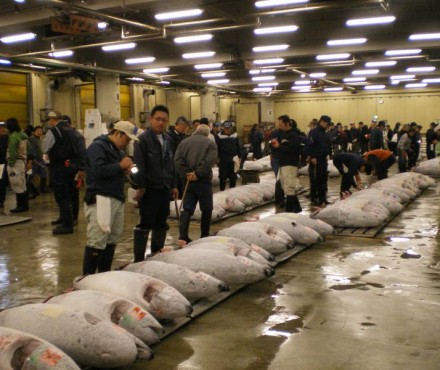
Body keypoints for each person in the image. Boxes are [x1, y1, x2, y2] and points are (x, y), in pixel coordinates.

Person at [82, 121, 137, 274]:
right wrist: (120, 166)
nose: (128, 143)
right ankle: (88, 279)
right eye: (127, 139)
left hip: (116, 198)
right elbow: (97, 171)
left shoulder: (118, 150)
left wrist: (124, 170)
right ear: (118, 133)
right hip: (101, 198)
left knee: (112, 238)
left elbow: (113, 169)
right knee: (97, 240)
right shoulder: (97, 147)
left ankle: (104, 276)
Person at [132, 105, 178, 262]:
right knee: (146, 222)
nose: (160, 122)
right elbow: (139, 165)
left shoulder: (168, 139)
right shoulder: (142, 140)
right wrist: (140, 187)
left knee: (161, 221)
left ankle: (156, 254)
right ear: (151, 119)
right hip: (149, 189)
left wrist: (174, 185)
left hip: (164, 188)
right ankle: (139, 259)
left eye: (164, 120)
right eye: (158, 119)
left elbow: (171, 164)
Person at [174, 124, 218, 245]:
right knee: (207, 208)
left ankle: (183, 236)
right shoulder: (210, 143)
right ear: (207, 133)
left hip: (188, 181)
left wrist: (187, 173)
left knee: (187, 208)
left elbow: (177, 160)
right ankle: (204, 235)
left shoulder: (183, 142)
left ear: (196, 131)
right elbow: (210, 160)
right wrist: (197, 174)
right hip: (203, 182)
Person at [43, 110, 85, 234]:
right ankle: (68, 219)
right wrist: (81, 167)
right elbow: (81, 150)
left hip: (60, 166)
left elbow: (45, 147)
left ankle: (67, 225)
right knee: (72, 193)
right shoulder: (73, 131)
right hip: (72, 166)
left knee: (61, 194)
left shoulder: (54, 131)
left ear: (52, 119)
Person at [270, 115, 302, 213]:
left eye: (280, 124)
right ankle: (297, 209)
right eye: (278, 125)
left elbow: (293, 150)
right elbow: (282, 149)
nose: (279, 127)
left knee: (289, 188)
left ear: (287, 124)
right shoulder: (284, 134)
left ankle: (289, 212)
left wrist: (279, 146)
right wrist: (275, 146)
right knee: (284, 187)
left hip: (290, 164)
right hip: (282, 164)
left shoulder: (294, 135)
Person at [304, 115, 331, 207]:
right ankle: (314, 199)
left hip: (323, 159)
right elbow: (309, 145)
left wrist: (328, 155)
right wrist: (312, 157)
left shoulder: (324, 132)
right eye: (327, 123)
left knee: (323, 180)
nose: (328, 125)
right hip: (316, 159)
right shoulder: (314, 132)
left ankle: (322, 199)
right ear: (322, 121)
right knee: (315, 180)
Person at [6, 118, 30, 213]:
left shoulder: (13, 137)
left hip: (15, 162)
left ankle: (20, 206)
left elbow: (12, 151)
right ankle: (25, 205)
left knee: (16, 183)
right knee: (22, 184)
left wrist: (11, 162)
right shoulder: (23, 135)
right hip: (23, 161)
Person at [168, 116, 190, 199]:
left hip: (181, 166)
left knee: (181, 187)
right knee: (174, 186)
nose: (184, 130)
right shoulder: (170, 136)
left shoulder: (183, 135)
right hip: (173, 165)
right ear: (180, 125)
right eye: (184, 127)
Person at [217, 120, 241, 191]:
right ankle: (222, 191)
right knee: (222, 177)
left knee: (233, 177)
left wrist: (239, 157)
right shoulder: (219, 136)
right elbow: (217, 148)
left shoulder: (235, 135)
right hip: (223, 160)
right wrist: (217, 158)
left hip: (233, 160)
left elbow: (238, 147)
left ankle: (232, 192)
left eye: (228, 128)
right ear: (223, 128)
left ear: (231, 128)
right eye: (225, 128)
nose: (226, 129)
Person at [27, 126, 48, 198]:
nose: (40, 132)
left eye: (41, 131)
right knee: (30, 176)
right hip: (34, 160)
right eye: (38, 131)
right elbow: (31, 150)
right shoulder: (31, 139)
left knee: (44, 173)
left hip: (40, 159)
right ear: (34, 132)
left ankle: (43, 189)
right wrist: (32, 159)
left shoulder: (40, 139)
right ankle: (32, 191)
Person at [0, 122, 9, 209]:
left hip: (3, 164)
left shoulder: (8, 138)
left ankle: (1, 201)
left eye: (3, 128)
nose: (2, 130)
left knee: (2, 183)